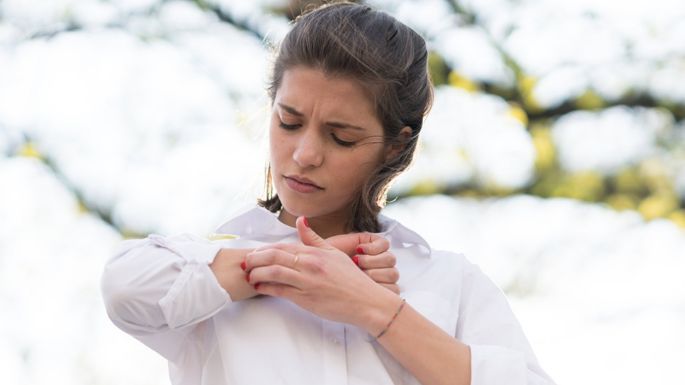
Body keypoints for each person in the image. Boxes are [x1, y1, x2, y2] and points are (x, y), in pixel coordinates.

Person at [101, 2, 555, 384]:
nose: (304, 155)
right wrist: (295, 268)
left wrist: (373, 307)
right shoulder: (209, 269)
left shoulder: (448, 281)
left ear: (395, 144)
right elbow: (124, 288)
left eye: (341, 137)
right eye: (289, 122)